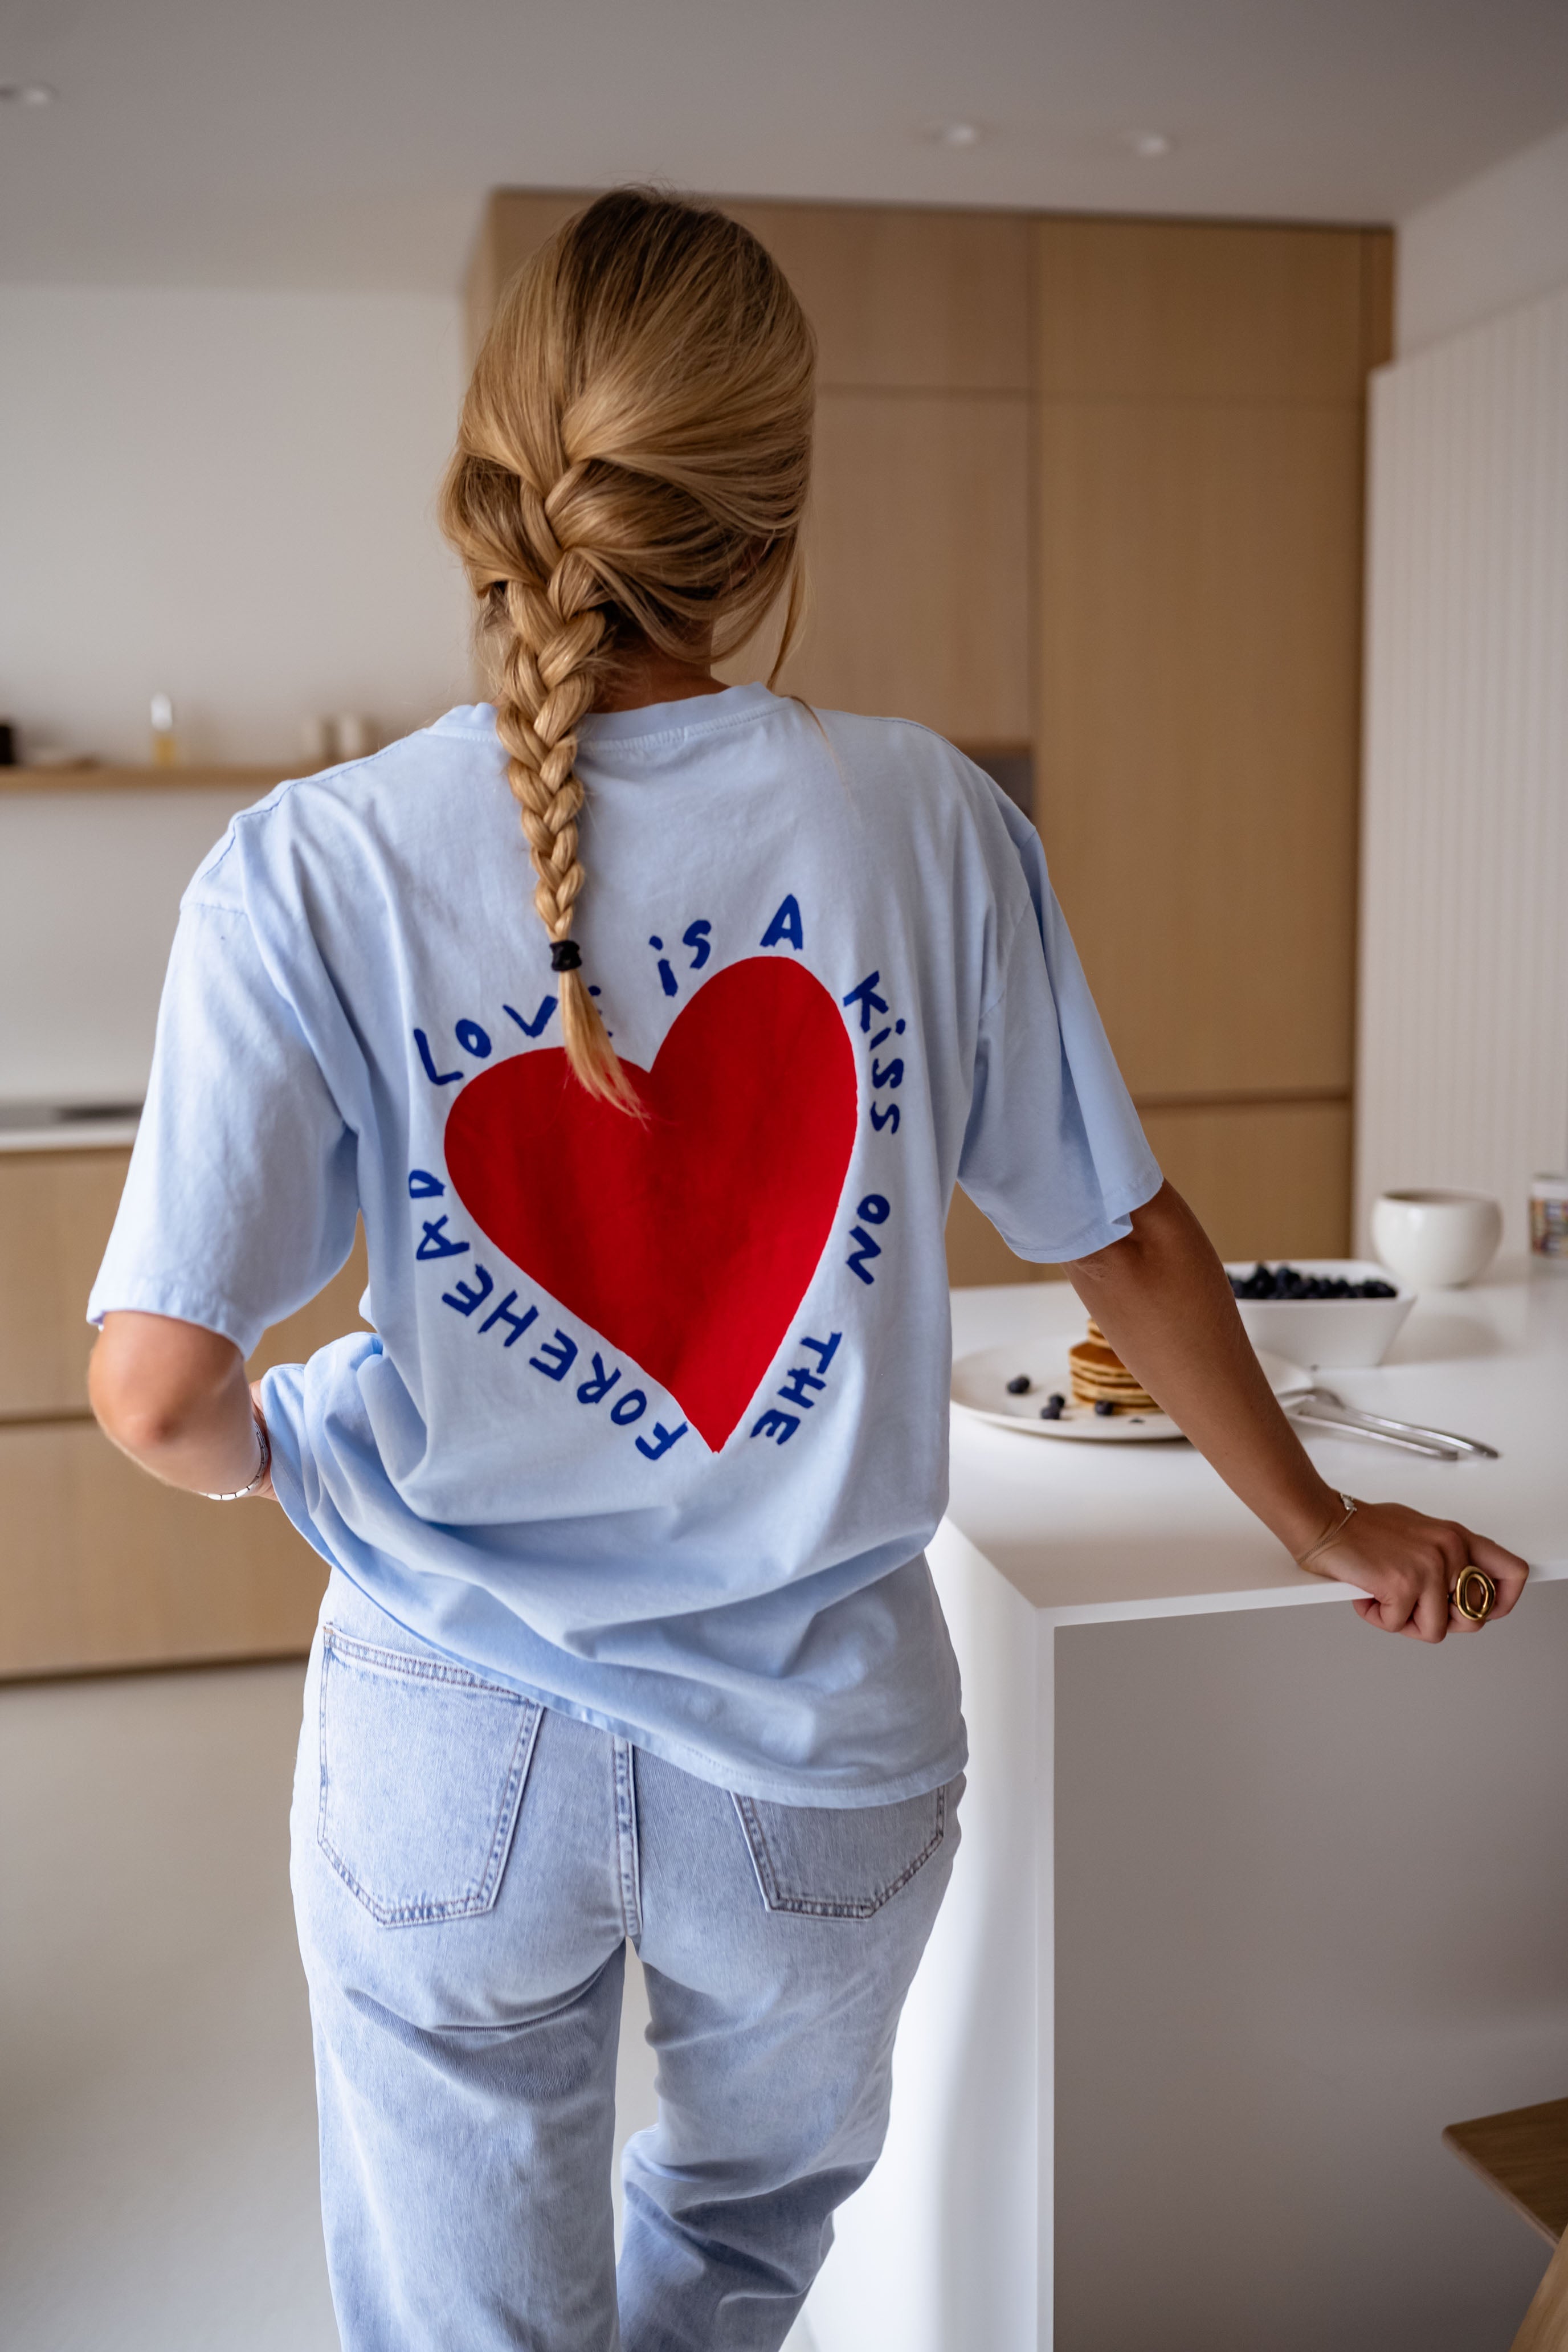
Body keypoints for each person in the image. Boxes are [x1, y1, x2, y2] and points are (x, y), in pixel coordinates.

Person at [87, 189, 1529, 2352]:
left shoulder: (314, 865)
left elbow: (159, 1394)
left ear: (491, 474)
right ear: (772, 512)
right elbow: (1122, 1234)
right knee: (743, 2239)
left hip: (450, 1738)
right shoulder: (933, 821)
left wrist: (310, 1448)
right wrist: (1322, 1524)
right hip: (823, 1759)